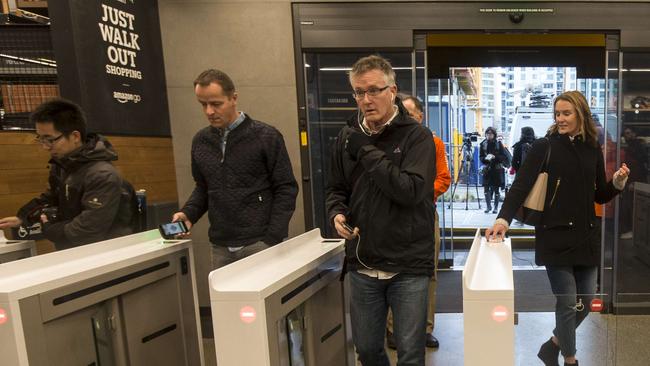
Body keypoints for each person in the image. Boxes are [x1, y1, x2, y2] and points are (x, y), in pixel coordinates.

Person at [486, 91, 629, 366]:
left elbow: (599, 194)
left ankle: (552, 345)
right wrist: (502, 219)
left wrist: (617, 184)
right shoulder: (545, 146)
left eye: (566, 113)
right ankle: (570, 359)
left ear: (581, 114)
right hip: (554, 236)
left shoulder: (592, 148)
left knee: (585, 303)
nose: (560, 119)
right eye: (558, 114)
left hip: (586, 237)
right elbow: (520, 186)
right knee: (566, 303)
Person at [326, 55, 436, 366]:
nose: (366, 99)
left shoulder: (417, 136)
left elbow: (411, 190)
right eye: (359, 92)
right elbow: (336, 189)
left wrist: (366, 149)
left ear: (392, 91)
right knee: (367, 350)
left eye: (374, 90)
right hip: (363, 261)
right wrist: (337, 214)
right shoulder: (347, 136)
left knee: (410, 354)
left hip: (408, 263)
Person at [172, 69, 298, 269]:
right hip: (220, 246)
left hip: (260, 244)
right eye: (203, 104)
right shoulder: (201, 141)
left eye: (216, 104)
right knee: (226, 302)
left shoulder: (266, 136)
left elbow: (286, 187)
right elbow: (204, 187)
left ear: (234, 98)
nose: (209, 111)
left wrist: (272, 237)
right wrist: (188, 214)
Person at [0, 98, 134, 250]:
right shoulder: (62, 165)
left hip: (104, 254)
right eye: (41, 139)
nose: (45, 147)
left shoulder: (102, 174)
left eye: (50, 140)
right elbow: (50, 198)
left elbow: (88, 229)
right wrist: (23, 217)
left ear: (75, 136)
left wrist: (53, 230)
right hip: (74, 251)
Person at [384, 94, 451, 350]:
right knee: (394, 271)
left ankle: (424, 328)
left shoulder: (433, 143)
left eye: (411, 113)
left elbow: (443, 179)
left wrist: (416, 194)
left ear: (421, 116)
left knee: (428, 272)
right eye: (402, 113)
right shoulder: (389, 144)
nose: (406, 118)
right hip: (392, 216)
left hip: (423, 215)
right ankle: (394, 329)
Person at [619, 127, 647, 239]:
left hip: (635, 181)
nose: (626, 136)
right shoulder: (634, 146)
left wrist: (634, 181)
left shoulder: (636, 147)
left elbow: (638, 166)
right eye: (625, 134)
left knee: (631, 206)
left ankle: (632, 230)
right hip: (633, 181)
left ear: (634, 134)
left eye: (629, 133)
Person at [480, 126, 508, 214]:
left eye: (491, 134)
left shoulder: (498, 144)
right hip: (487, 168)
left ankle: (496, 207)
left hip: (497, 169)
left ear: (494, 135)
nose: (489, 135)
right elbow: (481, 157)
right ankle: (488, 206)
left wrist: (495, 157)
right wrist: (485, 159)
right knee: (486, 188)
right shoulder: (483, 144)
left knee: (496, 188)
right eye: (487, 134)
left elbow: (503, 157)